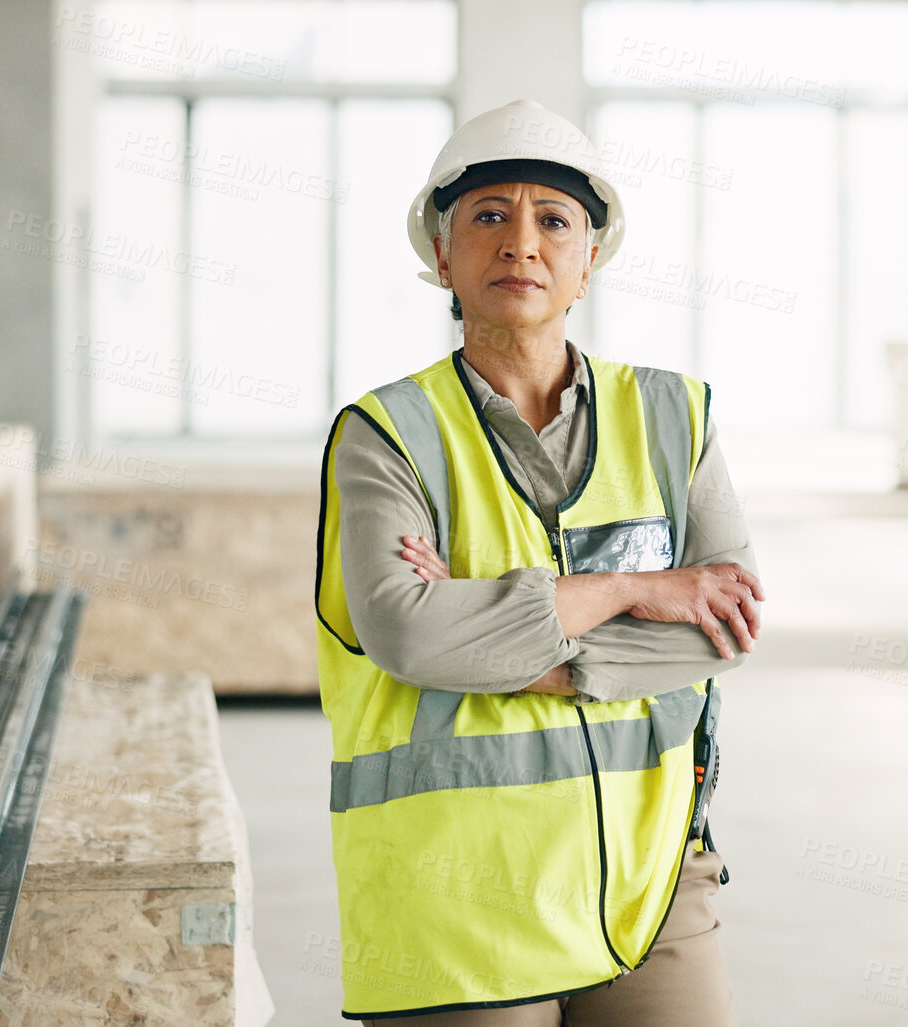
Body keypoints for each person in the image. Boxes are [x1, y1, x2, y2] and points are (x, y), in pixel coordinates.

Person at [313, 98, 767, 1024]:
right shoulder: (386, 436)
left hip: (649, 881)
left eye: (553, 220)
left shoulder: (676, 418)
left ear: (588, 259)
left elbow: (723, 627)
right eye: (488, 217)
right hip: (460, 897)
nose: (520, 243)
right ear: (441, 255)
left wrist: (501, 645)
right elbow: (407, 633)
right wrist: (635, 591)